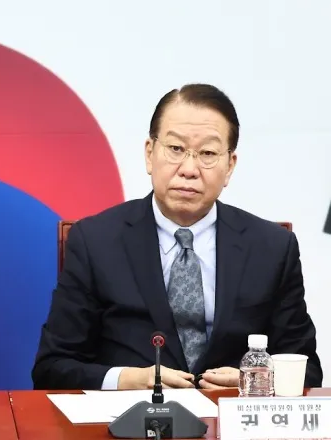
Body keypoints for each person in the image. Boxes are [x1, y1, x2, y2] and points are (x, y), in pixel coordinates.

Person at [32, 83, 322, 390]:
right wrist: (127, 379)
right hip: (129, 416)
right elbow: (52, 368)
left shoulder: (271, 248)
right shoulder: (95, 241)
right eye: (175, 149)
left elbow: (307, 370)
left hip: (230, 416)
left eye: (207, 153)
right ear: (149, 153)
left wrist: (253, 381)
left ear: (230, 166)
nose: (189, 169)